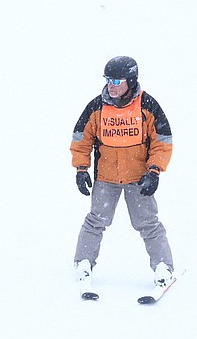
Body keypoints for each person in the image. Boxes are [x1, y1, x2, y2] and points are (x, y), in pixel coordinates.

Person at [71, 56, 175, 295]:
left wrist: (154, 171)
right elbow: (81, 139)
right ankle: (83, 263)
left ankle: (163, 267)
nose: (111, 85)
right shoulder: (97, 107)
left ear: (131, 80)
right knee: (96, 221)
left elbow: (162, 141)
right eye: (108, 80)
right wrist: (81, 168)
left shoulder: (147, 106)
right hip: (106, 177)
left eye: (117, 80)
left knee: (148, 223)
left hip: (138, 178)